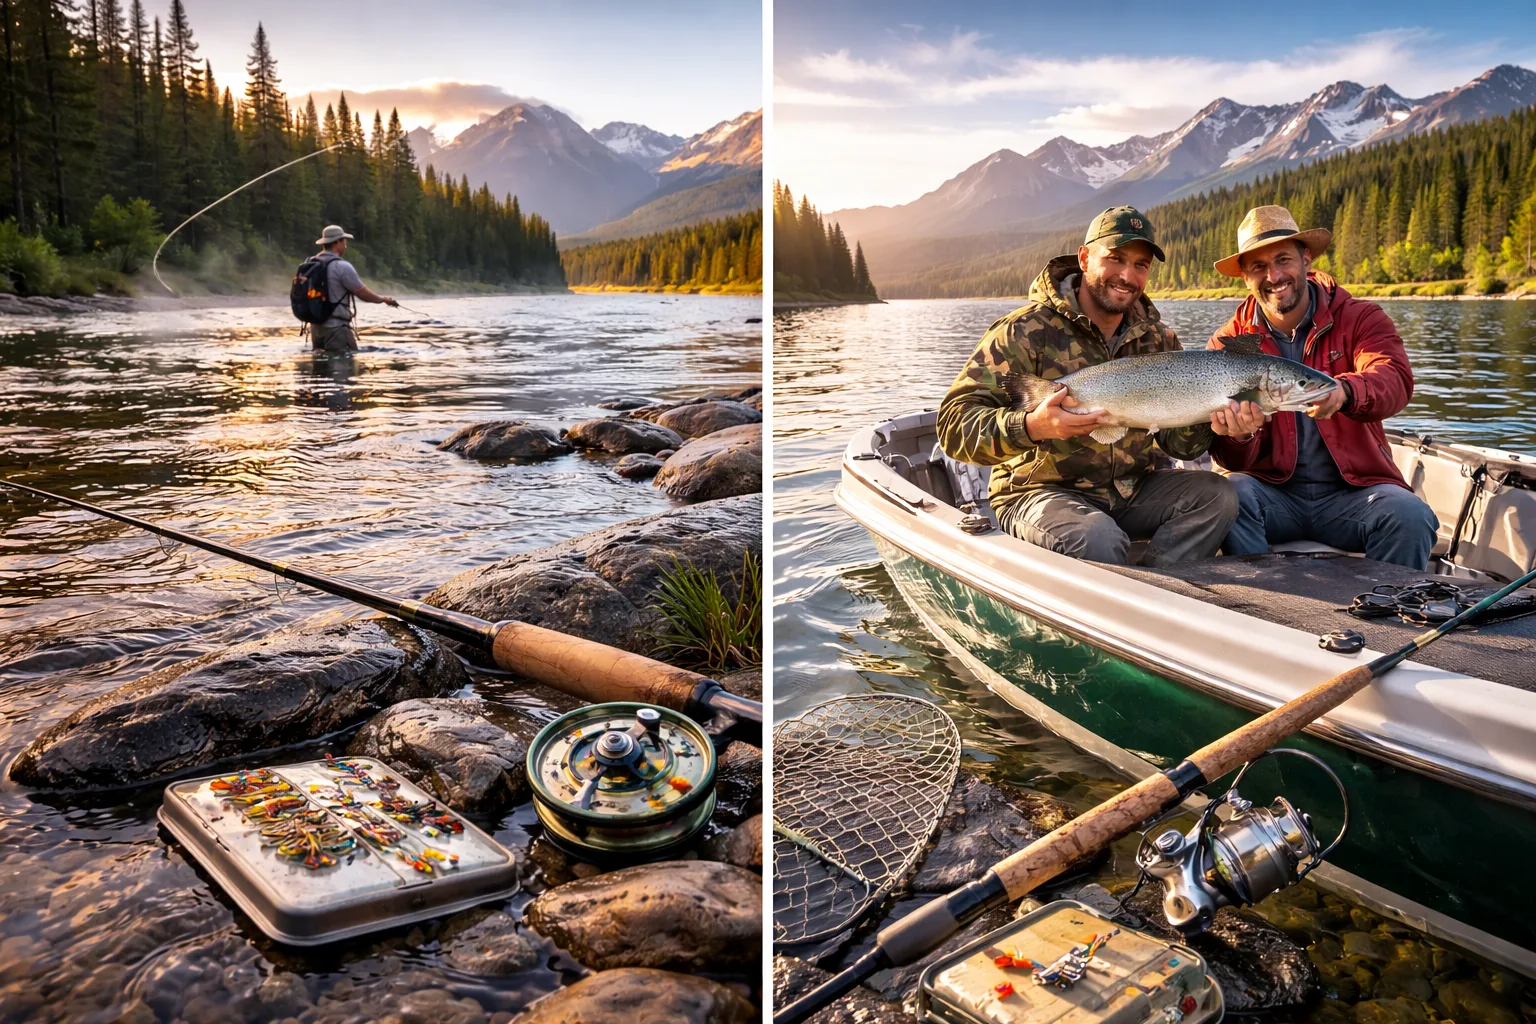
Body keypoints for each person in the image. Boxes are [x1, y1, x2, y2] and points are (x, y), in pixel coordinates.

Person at [937, 207, 1245, 567]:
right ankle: (1126, 606)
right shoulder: (1022, 332)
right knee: (1098, 537)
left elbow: (1179, 446)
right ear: (1084, 258)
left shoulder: (1160, 340)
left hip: (1134, 489)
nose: (1127, 275)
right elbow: (953, 428)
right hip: (1038, 493)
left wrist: (1209, 418)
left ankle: (1162, 590)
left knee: (1218, 495)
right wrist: (1033, 426)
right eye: (1115, 259)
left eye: (1141, 265)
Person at [1205, 205, 1439, 569]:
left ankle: (1389, 616)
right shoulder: (1228, 342)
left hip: (1357, 494)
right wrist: (1239, 436)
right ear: (1245, 277)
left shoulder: (1360, 318)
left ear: (1306, 259)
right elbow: (1229, 460)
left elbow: (1394, 378)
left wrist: (1346, 392)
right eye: (1258, 267)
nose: (1274, 275)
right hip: (1270, 496)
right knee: (1230, 494)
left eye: (1283, 259)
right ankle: (1262, 603)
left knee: (1410, 516)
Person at [306, 225, 398, 353]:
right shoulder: (341, 266)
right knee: (346, 367)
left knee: (322, 369)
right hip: (337, 328)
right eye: (344, 241)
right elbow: (362, 293)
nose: (346, 246)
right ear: (337, 242)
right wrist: (382, 299)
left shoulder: (311, 264)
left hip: (316, 330)